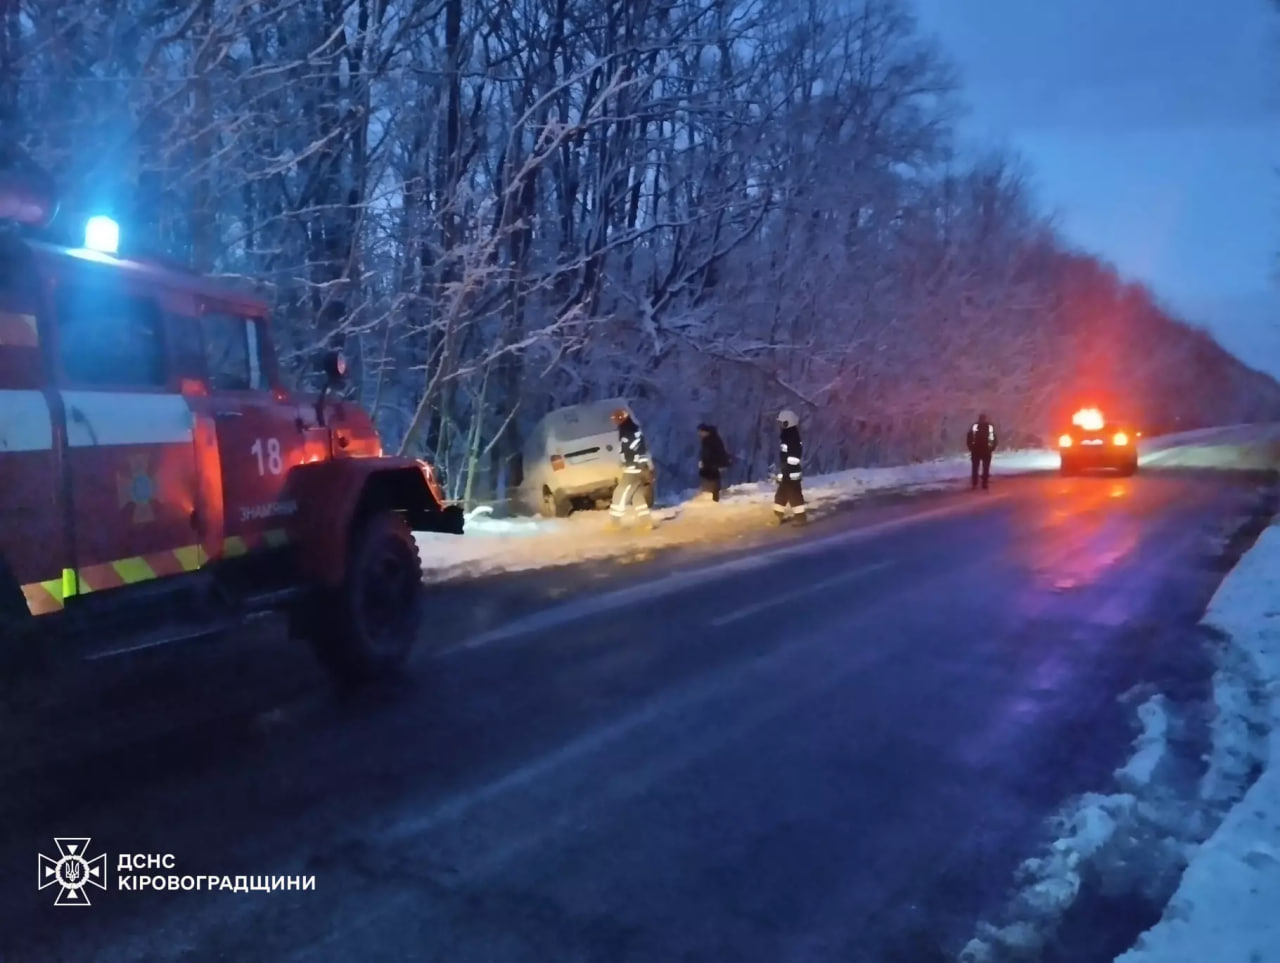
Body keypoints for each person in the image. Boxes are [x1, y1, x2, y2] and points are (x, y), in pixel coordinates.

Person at [609, 407, 654, 530]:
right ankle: (646, 522)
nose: (614, 422)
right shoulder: (628, 429)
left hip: (633, 469)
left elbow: (639, 449)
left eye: (615, 419)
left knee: (620, 493)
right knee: (636, 497)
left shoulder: (629, 431)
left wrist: (641, 464)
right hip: (633, 467)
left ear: (621, 419)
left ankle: (615, 523)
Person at [774, 409, 806, 525]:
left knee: (794, 495)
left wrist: (787, 469)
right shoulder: (786, 436)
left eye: (782, 422)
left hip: (792, 472)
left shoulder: (792, 437)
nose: (780, 425)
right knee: (781, 494)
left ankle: (800, 518)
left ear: (787, 422)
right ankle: (777, 515)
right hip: (787, 471)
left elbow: (795, 456)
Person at [696, 423, 731, 502]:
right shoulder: (707, 440)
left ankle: (714, 498)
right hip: (709, 464)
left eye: (701, 432)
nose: (700, 434)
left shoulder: (713, 440)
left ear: (705, 431)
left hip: (713, 464)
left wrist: (718, 463)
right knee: (710, 479)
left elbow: (718, 452)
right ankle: (710, 497)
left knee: (713, 480)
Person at [966, 412, 998, 490]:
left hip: (978, 450)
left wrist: (971, 447)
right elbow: (994, 438)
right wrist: (992, 447)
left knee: (976, 467)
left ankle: (976, 483)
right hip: (985, 450)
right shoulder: (989, 427)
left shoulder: (975, 426)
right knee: (985, 467)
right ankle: (983, 483)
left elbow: (969, 438)